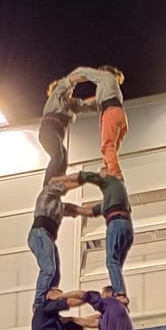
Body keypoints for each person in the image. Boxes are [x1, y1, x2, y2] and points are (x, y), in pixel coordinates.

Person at [72, 163, 134, 298]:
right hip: (126, 227)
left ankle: (120, 293)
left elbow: (90, 177)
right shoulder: (113, 199)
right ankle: (116, 289)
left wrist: (65, 179)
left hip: (116, 224)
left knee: (111, 261)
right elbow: (90, 211)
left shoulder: (111, 181)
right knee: (116, 264)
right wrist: (73, 209)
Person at [27, 175, 82, 308]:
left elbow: (80, 210)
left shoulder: (59, 206)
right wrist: (87, 178)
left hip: (47, 236)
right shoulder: (47, 192)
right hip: (40, 233)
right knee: (49, 268)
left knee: (56, 271)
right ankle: (39, 301)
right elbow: (61, 185)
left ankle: (51, 293)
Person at [66, 63, 127, 177]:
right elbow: (93, 104)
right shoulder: (110, 87)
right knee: (111, 148)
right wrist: (77, 105)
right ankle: (110, 168)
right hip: (119, 114)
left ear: (103, 71)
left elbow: (84, 71)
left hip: (111, 113)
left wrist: (68, 81)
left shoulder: (106, 76)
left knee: (107, 146)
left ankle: (115, 173)